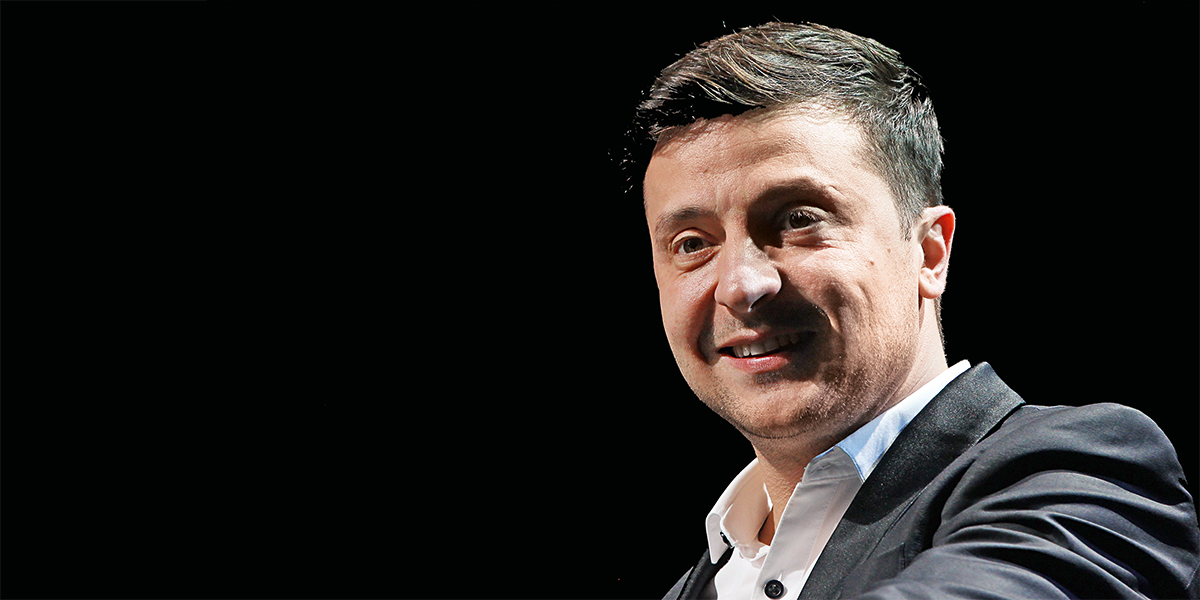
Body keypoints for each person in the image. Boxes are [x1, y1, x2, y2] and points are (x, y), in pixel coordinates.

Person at [623, 22, 1200, 599]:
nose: (740, 285)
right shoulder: (696, 587)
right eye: (692, 244)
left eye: (799, 220)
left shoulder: (1079, 476)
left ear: (929, 252)